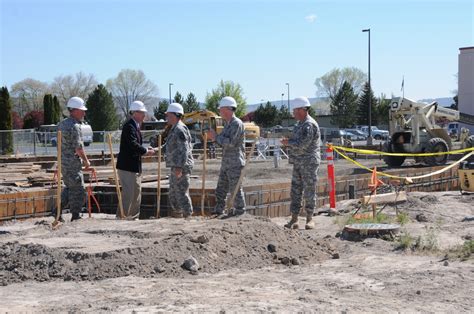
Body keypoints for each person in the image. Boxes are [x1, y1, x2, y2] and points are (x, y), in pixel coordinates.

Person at [281, 96, 321, 230]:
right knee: (295, 191)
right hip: (298, 162)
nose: (293, 113)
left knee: (309, 190)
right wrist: (289, 143)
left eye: (294, 110)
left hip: (308, 163)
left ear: (301, 110)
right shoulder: (299, 125)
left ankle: (310, 218)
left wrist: (289, 143)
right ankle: (294, 219)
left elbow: (303, 145)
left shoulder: (309, 125)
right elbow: (296, 142)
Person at [208, 96, 246, 217]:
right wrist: (215, 138)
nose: (220, 112)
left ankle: (240, 211)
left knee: (235, 189)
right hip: (226, 162)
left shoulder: (236, 124)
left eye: (221, 109)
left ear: (228, 109)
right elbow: (221, 141)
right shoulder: (228, 124)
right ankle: (219, 209)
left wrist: (215, 137)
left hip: (235, 163)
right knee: (221, 188)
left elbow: (231, 142)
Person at [116, 100, 155, 220]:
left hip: (134, 166)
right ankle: (121, 216)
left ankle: (133, 216)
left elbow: (135, 145)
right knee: (128, 193)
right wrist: (144, 151)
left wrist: (144, 149)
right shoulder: (129, 126)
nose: (144, 115)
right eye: (142, 112)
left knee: (137, 192)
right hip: (127, 167)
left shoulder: (136, 126)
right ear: (135, 113)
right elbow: (132, 144)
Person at [56, 96, 91, 222]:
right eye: (82, 110)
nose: (84, 113)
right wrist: (86, 161)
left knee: (69, 187)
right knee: (78, 189)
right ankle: (75, 215)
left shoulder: (61, 124)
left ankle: (57, 212)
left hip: (63, 162)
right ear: (75, 110)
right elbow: (78, 148)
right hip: (72, 164)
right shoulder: (75, 126)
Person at [164, 102, 194, 218]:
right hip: (175, 166)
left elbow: (184, 150)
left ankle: (188, 216)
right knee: (173, 194)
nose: (167, 117)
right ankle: (180, 216)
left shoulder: (180, 129)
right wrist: (156, 150)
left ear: (175, 115)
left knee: (181, 193)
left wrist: (179, 167)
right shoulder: (174, 128)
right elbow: (170, 146)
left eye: (168, 115)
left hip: (181, 166)